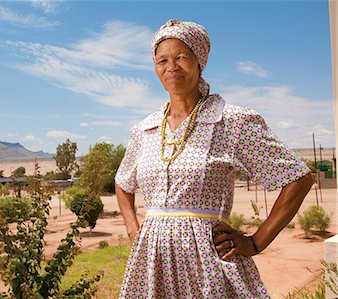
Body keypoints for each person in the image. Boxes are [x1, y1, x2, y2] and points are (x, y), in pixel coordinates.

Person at [115, 19, 313, 299]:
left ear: (200, 61)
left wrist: (256, 242)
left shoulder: (232, 122)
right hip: (151, 265)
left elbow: (297, 178)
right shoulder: (144, 130)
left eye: (182, 57)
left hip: (208, 265)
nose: (171, 67)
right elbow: (123, 183)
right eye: (162, 60)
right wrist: (134, 228)